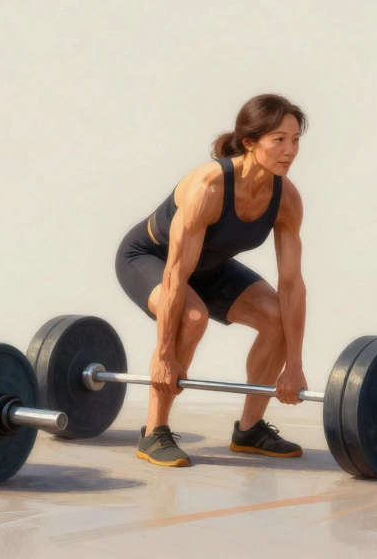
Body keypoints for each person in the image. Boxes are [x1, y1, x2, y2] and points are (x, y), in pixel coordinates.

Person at [115, 94, 309, 467]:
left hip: (209, 268)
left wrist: (295, 364)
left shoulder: (286, 199)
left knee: (277, 320)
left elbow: (291, 285)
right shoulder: (209, 186)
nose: (290, 150)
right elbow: (175, 273)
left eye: (295, 139)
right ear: (250, 143)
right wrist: (165, 355)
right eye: (279, 140)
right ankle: (154, 431)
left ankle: (249, 429)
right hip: (149, 260)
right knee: (191, 318)